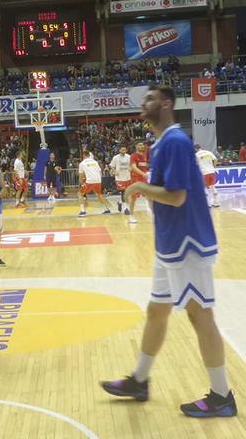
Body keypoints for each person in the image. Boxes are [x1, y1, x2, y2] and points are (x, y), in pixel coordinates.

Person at [101, 86, 237, 418]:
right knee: (156, 311)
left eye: (149, 98)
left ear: (166, 104)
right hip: (170, 245)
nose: (143, 103)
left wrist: (139, 187)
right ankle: (139, 380)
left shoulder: (175, 141)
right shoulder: (161, 143)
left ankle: (222, 396)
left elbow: (176, 196)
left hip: (188, 243)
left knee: (200, 315)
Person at [78, 150, 111, 217]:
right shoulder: (95, 162)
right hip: (98, 180)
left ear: (83, 155)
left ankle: (83, 211)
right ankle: (107, 209)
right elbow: (99, 171)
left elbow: (81, 175)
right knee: (99, 195)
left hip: (90, 181)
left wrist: (81, 183)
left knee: (80, 194)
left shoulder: (82, 163)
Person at [129, 142, 149, 224]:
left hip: (144, 179)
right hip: (136, 179)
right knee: (133, 198)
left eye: (143, 145)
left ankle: (154, 213)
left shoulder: (145, 155)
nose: (142, 146)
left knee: (150, 195)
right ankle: (131, 216)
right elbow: (133, 167)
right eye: (140, 145)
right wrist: (143, 174)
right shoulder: (133, 156)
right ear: (136, 146)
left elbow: (146, 167)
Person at [109, 146, 132, 216]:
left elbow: (131, 165)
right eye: (122, 150)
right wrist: (113, 171)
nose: (123, 151)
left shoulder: (129, 157)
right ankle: (126, 209)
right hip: (119, 178)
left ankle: (120, 203)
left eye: (124, 149)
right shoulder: (116, 157)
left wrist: (131, 169)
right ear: (119, 150)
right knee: (123, 192)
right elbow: (112, 166)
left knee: (126, 193)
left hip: (127, 177)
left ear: (126, 150)